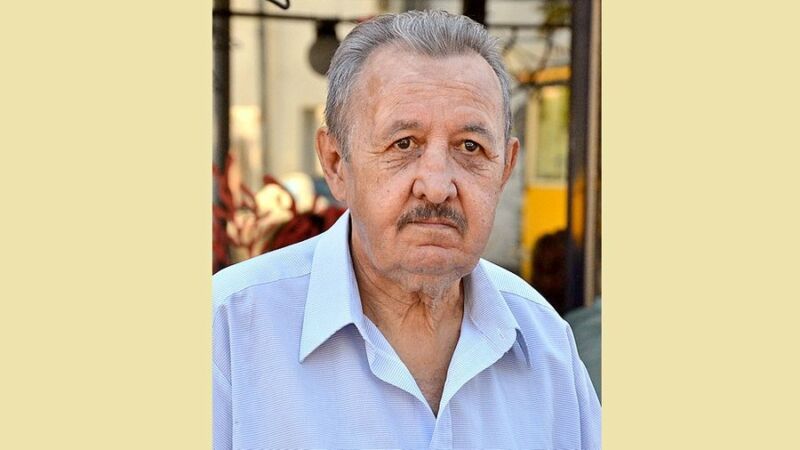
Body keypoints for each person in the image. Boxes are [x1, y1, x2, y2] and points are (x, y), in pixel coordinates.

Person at [213, 10, 600, 449]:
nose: (436, 186)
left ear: (505, 168)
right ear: (336, 163)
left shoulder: (544, 343)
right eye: (404, 144)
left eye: (470, 146)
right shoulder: (228, 330)